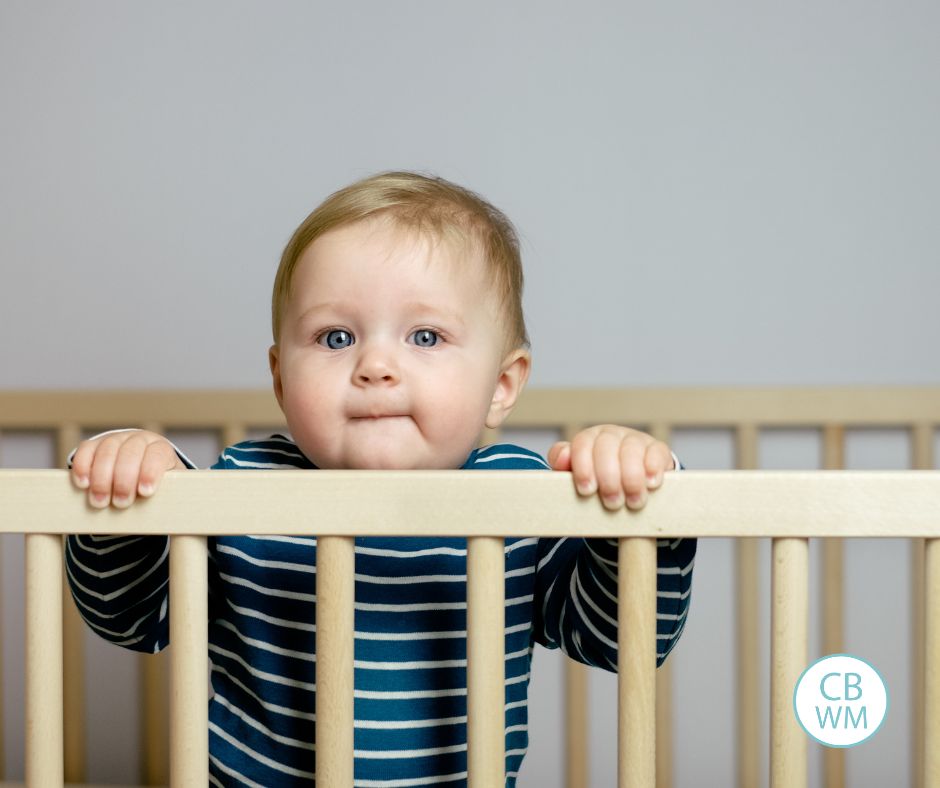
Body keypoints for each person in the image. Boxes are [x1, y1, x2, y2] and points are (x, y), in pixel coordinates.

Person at [67, 171, 696, 787]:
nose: (375, 365)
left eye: (425, 335)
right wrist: (133, 487)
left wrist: (638, 504)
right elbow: (130, 615)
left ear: (501, 386)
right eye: (335, 336)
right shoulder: (241, 487)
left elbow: (619, 637)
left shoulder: (518, 495)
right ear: (282, 379)